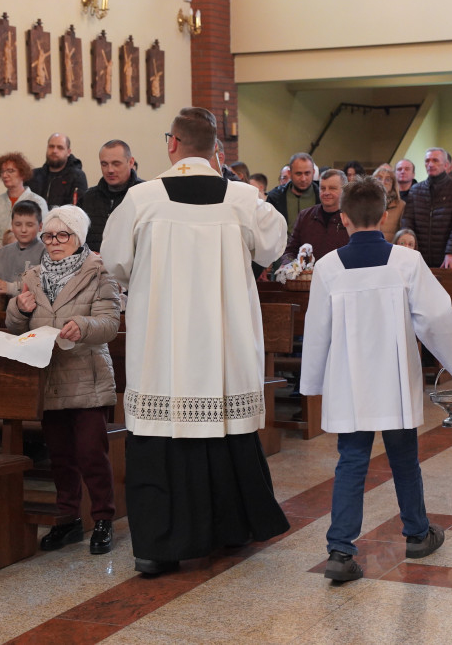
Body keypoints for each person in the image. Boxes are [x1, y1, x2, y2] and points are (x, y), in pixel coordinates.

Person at [101, 106, 290, 576]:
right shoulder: (244, 199)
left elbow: (115, 263)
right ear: (217, 153)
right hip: (224, 348)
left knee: (160, 440)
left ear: (172, 144)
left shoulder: (141, 199)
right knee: (225, 431)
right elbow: (273, 246)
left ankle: (157, 548)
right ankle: (228, 531)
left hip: (163, 350)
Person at [300, 177, 452, 582]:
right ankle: (416, 533)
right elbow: (437, 317)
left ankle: (340, 551)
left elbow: (316, 329)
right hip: (392, 379)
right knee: (404, 458)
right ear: (385, 215)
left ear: (343, 218)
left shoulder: (327, 267)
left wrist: (313, 384)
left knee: (351, 461)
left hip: (350, 382)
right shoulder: (407, 262)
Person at [6, 205, 120, 554]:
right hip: (50, 376)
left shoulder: (99, 274)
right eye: (49, 236)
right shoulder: (33, 276)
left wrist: (83, 326)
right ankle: (68, 519)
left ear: (78, 238)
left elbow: (110, 323)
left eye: (62, 235)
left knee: (91, 454)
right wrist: (19, 309)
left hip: (86, 376)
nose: (54, 242)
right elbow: (14, 328)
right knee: (60, 456)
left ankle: (102, 519)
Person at [399, 147, 452, 269]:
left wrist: (451, 252)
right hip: (419, 257)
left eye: (435, 160)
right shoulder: (416, 190)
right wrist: (409, 250)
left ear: (446, 165)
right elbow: (408, 221)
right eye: (427, 161)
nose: (430, 164)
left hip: (447, 258)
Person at [80, 140, 143, 252]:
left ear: (131, 162)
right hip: (93, 267)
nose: (110, 170)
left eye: (116, 164)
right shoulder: (88, 198)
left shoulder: (144, 195)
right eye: (104, 164)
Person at [279, 169, 349, 267]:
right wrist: (289, 265)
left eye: (332, 188)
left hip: (341, 279)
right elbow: (290, 251)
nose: (326, 192)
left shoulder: (353, 219)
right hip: (308, 279)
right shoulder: (305, 216)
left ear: (344, 190)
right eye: (323, 188)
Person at [0, 152, 49, 245]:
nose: (5, 175)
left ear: (22, 173)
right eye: (2, 171)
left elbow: (43, 234)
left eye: (10, 171)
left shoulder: (38, 202)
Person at [267, 153, 320, 234]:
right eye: (298, 174)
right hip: (284, 245)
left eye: (307, 173)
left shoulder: (322, 196)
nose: (303, 179)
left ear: (313, 172)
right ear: (289, 173)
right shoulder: (275, 197)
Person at [30, 133, 88, 208]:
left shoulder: (77, 176)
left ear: (68, 152)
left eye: (60, 147)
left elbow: (77, 209)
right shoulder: (33, 175)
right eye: (51, 146)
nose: (54, 151)